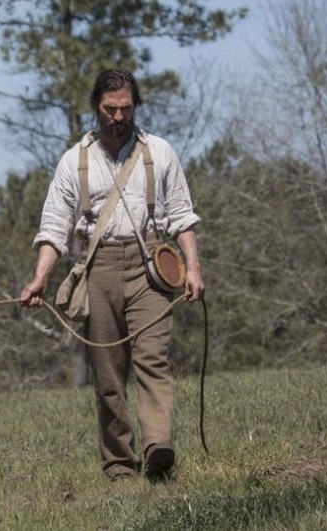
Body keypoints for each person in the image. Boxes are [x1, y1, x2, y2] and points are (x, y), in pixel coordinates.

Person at [19, 68, 205, 481]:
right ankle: (120, 465)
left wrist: (193, 268)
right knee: (108, 374)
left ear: (135, 106)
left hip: (153, 269)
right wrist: (40, 279)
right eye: (110, 109)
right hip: (98, 269)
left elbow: (182, 216)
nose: (118, 117)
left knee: (153, 358)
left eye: (125, 108)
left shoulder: (160, 152)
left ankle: (158, 449)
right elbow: (53, 228)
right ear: (95, 108)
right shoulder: (74, 162)